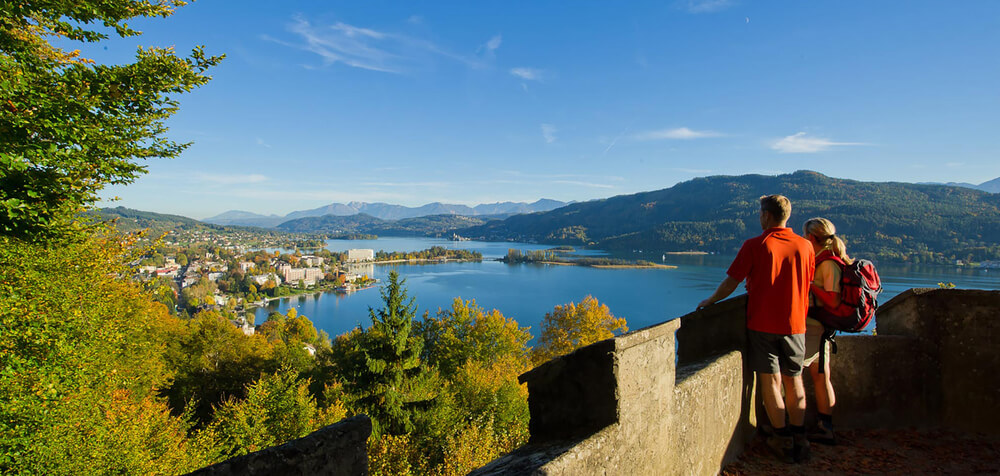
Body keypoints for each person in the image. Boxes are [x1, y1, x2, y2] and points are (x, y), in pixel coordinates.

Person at [698, 195, 815, 463]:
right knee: (794, 380)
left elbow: (732, 282)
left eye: (760, 213)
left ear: (766, 215)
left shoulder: (756, 245)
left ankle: (782, 439)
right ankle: (801, 438)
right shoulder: (805, 246)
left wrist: (710, 301)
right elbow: (805, 282)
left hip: (763, 324)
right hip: (796, 325)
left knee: (771, 381)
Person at [801, 217, 851, 445]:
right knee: (821, 377)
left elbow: (832, 300)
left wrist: (809, 284)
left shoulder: (829, 264)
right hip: (820, 328)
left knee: (791, 375)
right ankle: (825, 427)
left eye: (805, 236)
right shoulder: (825, 260)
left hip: (814, 328)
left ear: (811, 237)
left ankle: (799, 427)